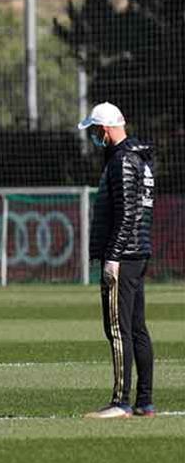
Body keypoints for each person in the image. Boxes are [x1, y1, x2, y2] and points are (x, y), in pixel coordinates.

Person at [78, 102, 155, 419]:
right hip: (138, 253)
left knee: (118, 329)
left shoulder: (123, 161)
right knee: (136, 328)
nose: (95, 137)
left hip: (124, 255)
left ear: (105, 129)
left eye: (95, 131)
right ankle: (144, 402)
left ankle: (121, 402)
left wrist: (112, 257)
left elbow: (126, 215)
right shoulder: (139, 159)